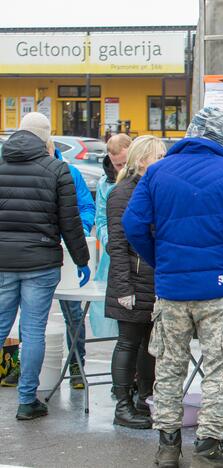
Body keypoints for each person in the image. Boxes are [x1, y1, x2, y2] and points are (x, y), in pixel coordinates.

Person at [122, 107, 223, 468]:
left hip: (171, 290)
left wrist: (159, 258)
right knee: (218, 368)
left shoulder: (156, 172)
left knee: (169, 368)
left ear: (188, 135)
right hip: (218, 289)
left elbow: (133, 224)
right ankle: (209, 445)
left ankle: (168, 447)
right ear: (221, 139)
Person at [0, 112, 90, 420]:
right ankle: (27, 400)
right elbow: (70, 222)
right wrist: (82, 259)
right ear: (46, 138)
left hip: (2, 262)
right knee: (32, 330)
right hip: (41, 261)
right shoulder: (56, 169)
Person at [106, 135, 165, 430]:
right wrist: (123, 287)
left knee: (148, 345)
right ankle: (122, 405)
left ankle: (145, 399)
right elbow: (116, 244)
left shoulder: (153, 187)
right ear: (142, 160)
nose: (164, 159)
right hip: (131, 280)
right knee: (128, 342)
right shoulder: (122, 193)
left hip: (152, 279)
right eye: (159, 155)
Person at [48, 137, 96, 391]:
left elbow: (87, 206)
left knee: (73, 312)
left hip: (68, 253)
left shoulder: (70, 172)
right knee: (32, 317)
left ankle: (77, 364)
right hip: (38, 253)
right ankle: (23, 367)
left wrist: (80, 230)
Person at [89, 134, 131, 338]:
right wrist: (110, 243)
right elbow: (101, 220)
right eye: (116, 164)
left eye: (124, 163)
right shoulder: (104, 183)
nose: (120, 168)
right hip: (112, 253)